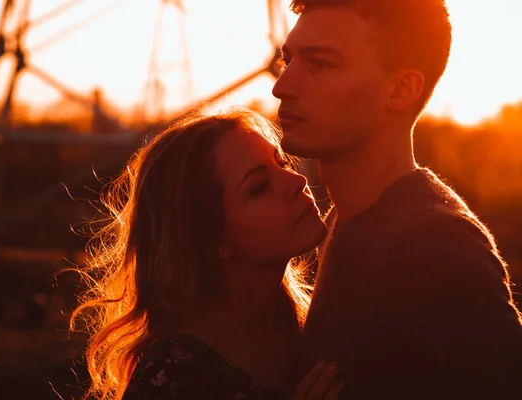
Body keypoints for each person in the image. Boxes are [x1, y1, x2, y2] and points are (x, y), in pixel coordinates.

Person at [272, 0, 522, 399]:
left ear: (401, 89)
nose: (282, 86)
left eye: (319, 64)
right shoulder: (341, 222)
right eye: (289, 61)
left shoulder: (439, 245)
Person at [71, 107, 342, 400]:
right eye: (259, 187)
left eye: (282, 162)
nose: (296, 181)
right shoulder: (173, 379)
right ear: (209, 237)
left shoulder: (309, 321)